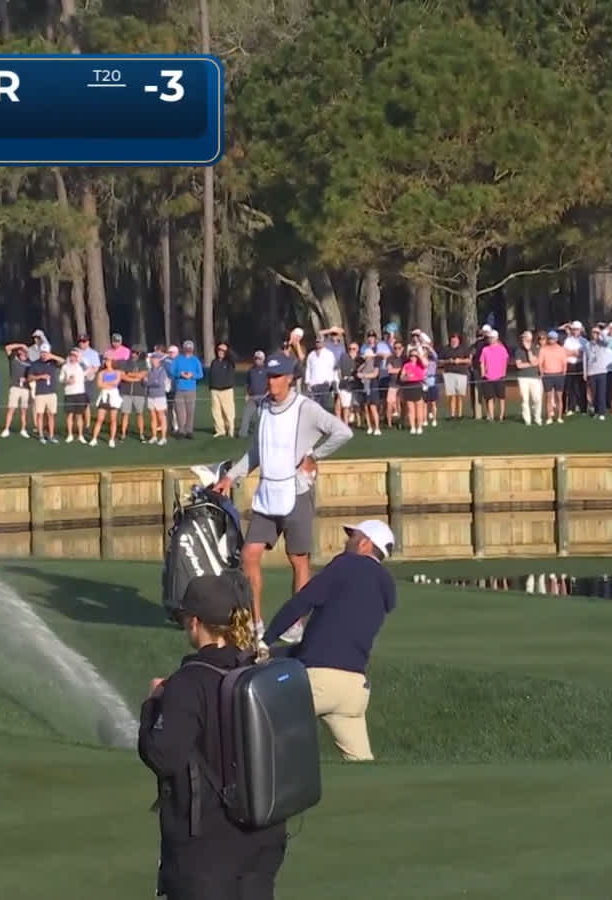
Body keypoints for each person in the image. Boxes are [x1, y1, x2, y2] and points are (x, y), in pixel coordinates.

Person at [138, 574, 287, 900]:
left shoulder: (188, 682)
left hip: (207, 849)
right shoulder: (259, 669)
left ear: (194, 622)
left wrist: (152, 705)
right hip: (264, 839)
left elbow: (163, 755)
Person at [215, 352, 354, 635]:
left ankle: (295, 622)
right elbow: (257, 451)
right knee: (249, 555)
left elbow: (342, 432)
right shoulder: (263, 407)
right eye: (269, 375)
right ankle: (256, 623)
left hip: (297, 493)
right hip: (267, 494)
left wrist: (314, 455)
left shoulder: (306, 408)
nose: (271, 381)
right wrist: (231, 476)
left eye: (277, 376)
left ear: (290, 379)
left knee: (298, 559)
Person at [264, 519, 397, 762]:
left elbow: (301, 602)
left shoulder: (346, 564)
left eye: (352, 536)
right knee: (363, 764)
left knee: (258, 721)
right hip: (354, 691)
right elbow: (323, 643)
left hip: (320, 683)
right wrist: (274, 654)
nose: (347, 541)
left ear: (365, 544)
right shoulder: (385, 584)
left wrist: (264, 641)